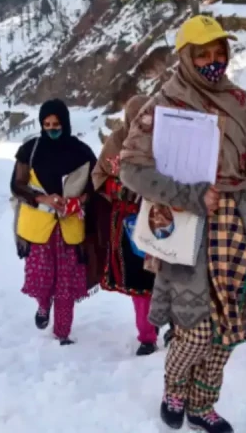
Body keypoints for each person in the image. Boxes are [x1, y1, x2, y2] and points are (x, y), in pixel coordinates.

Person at [118, 15, 246, 433]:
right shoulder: (165, 107)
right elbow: (132, 169)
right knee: (193, 332)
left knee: (227, 331)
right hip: (186, 234)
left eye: (219, 53)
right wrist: (189, 196)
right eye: (202, 54)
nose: (214, 61)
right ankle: (174, 390)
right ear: (185, 58)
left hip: (236, 233)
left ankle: (202, 404)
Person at [91, 96, 175, 356]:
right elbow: (99, 176)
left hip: (165, 219)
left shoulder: (169, 143)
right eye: (139, 118)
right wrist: (122, 188)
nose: (144, 123)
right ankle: (147, 336)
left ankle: (175, 326)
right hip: (128, 223)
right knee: (141, 282)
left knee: (170, 275)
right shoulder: (117, 143)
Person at [11, 99, 98, 345]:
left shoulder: (81, 152)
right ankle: (42, 305)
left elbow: (95, 185)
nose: (51, 129)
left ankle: (62, 332)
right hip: (40, 228)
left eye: (56, 124)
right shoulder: (31, 149)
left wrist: (79, 201)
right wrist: (43, 198)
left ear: (66, 123)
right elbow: (17, 185)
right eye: (46, 124)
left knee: (66, 283)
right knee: (42, 278)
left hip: (70, 228)